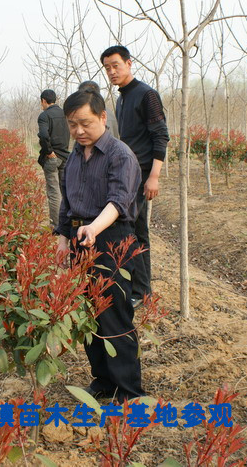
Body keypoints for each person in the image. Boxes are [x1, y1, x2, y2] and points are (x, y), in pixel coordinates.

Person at [56, 89, 145, 402]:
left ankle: (129, 391)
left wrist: (94, 227)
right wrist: (63, 239)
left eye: (85, 123)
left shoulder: (120, 155)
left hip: (110, 239)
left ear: (103, 117)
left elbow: (118, 201)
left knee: (113, 315)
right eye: (72, 125)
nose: (79, 131)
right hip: (81, 239)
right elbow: (67, 203)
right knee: (88, 313)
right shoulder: (75, 157)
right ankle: (104, 380)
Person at [100, 46, 169, 308]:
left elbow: (160, 135)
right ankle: (141, 289)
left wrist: (154, 176)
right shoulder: (121, 99)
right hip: (127, 173)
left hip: (142, 174)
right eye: (107, 67)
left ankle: (139, 291)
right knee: (137, 231)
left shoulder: (146, 95)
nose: (111, 71)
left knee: (130, 231)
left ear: (129, 63)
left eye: (115, 65)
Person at [36, 89, 70, 228]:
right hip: (65, 156)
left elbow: (44, 135)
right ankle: (67, 224)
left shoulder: (44, 116)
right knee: (65, 191)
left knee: (54, 193)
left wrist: (49, 151)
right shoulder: (65, 114)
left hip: (52, 158)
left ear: (43, 101)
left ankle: (56, 226)